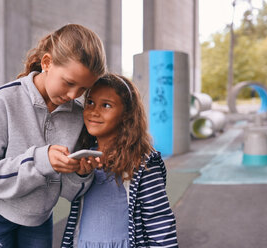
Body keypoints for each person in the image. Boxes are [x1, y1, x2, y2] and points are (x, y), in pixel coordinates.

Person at [0, 24, 107, 248]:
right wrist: (40, 161)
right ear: (47, 63)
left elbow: (71, 193)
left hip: (39, 220)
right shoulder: (4, 100)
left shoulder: (79, 116)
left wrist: (79, 174)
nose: (73, 95)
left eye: (82, 89)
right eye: (69, 83)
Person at [61, 73, 179, 247]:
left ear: (126, 115)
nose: (94, 111)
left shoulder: (143, 162)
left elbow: (159, 220)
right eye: (90, 102)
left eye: (106, 105)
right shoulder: (83, 158)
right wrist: (79, 175)